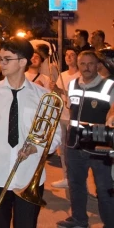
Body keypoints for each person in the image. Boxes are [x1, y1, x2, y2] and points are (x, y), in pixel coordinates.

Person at [0, 38, 61, 228]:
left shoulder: (42, 95)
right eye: (0, 58)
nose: (0, 63)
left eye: (6, 59)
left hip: (28, 175)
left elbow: (56, 135)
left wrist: (35, 148)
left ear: (23, 62)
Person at [58, 50, 114, 228]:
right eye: (83, 63)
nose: (87, 67)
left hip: (99, 140)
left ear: (97, 65)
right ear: (78, 65)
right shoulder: (72, 84)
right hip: (74, 141)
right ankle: (79, 220)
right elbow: (70, 108)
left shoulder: (109, 86)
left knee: (104, 188)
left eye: (91, 63)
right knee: (75, 184)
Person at [51, 47, 79, 189]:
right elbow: (57, 95)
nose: (68, 57)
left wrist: (62, 91)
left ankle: (76, 178)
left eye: (72, 55)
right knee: (62, 149)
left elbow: (77, 96)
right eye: (67, 55)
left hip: (74, 117)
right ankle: (66, 177)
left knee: (73, 149)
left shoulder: (80, 76)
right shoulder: (62, 74)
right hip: (61, 116)